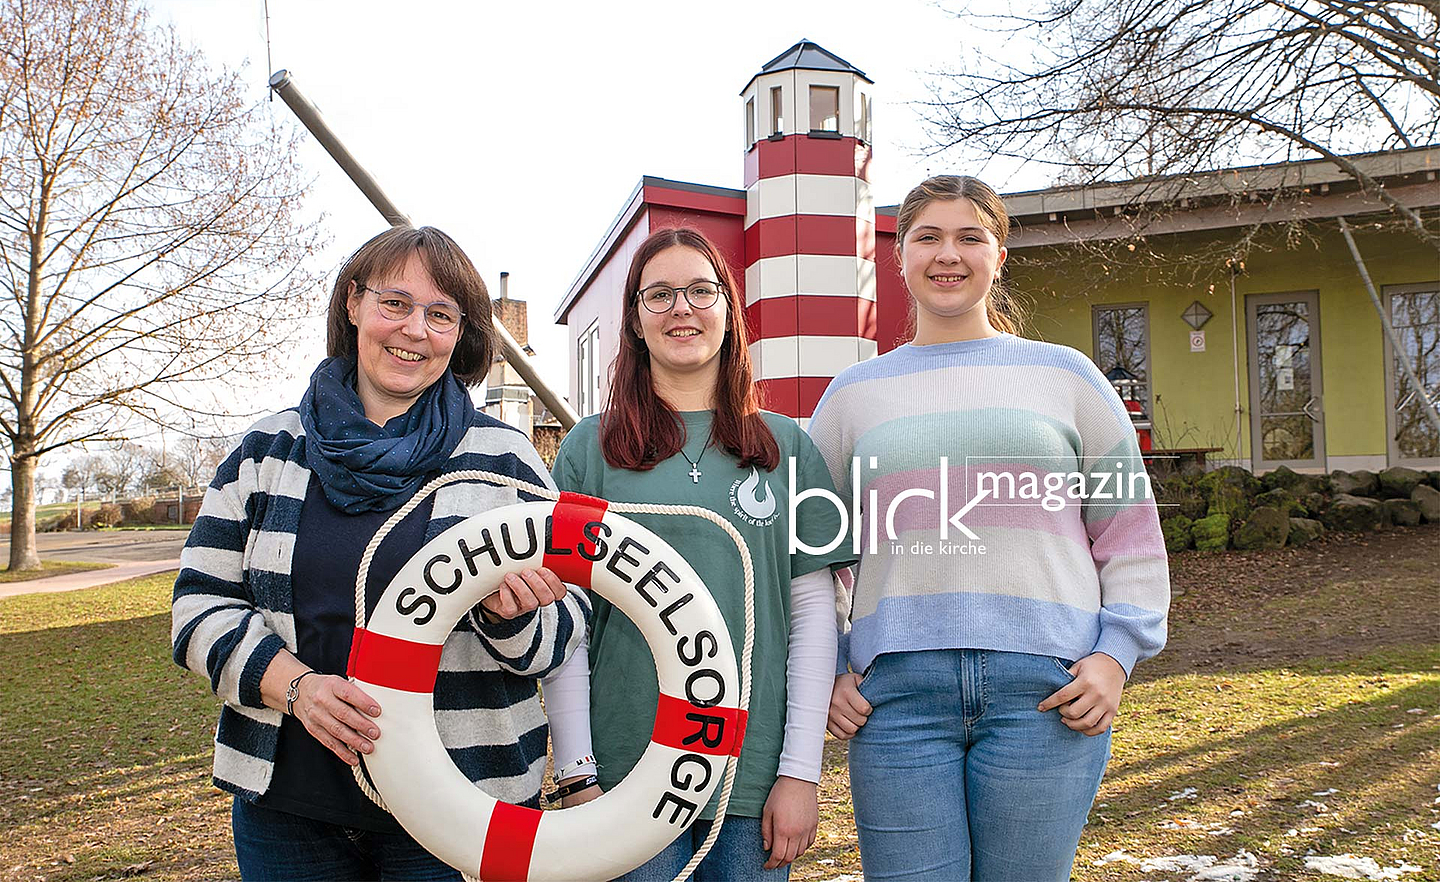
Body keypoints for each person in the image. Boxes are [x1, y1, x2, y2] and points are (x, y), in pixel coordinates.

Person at [171, 226, 592, 881]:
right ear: (353, 304)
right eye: (395, 303)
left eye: (441, 314)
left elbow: (568, 627)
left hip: (460, 811)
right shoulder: (266, 452)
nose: (414, 330)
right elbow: (199, 607)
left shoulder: (504, 460)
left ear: (460, 334)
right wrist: (297, 689)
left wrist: (514, 618)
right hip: (290, 813)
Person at [811, 176, 1170, 881]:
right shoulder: (852, 396)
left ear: (998, 256)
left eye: (969, 237)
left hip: (1048, 694)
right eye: (928, 237)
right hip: (896, 701)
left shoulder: (1067, 377)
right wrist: (827, 665)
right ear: (900, 257)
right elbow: (812, 553)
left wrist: (1116, 653)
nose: (948, 254)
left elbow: (1129, 533)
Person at [550, 228, 855, 880]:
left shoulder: (788, 448)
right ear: (635, 319)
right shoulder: (586, 452)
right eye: (659, 294)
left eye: (700, 290)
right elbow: (566, 623)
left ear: (728, 308)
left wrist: (800, 774)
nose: (681, 308)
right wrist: (576, 770)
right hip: (625, 778)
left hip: (753, 781)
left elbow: (812, 620)